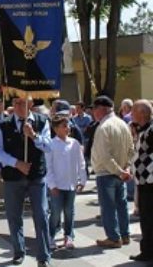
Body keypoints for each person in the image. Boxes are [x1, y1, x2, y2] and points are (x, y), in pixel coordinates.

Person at [0, 96, 52, 267]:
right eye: (16, 103)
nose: (18, 106)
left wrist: (33, 136)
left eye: (22, 102)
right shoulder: (4, 125)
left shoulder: (41, 121)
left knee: (41, 215)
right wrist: (16, 163)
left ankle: (44, 256)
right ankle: (19, 251)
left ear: (31, 104)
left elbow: (49, 147)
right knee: (14, 216)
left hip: (36, 177)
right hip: (13, 177)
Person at [91, 95, 134, 248]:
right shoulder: (123, 124)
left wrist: (120, 170)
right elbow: (131, 149)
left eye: (94, 109)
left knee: (108, 207)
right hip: (120, 172)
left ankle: (114, 238)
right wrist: (126, 168)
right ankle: (125, 234)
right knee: (121, 205)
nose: (93, 112)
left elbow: (104, 156)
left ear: (102, 109)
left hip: (107, 173)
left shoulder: (104, 127)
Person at [45, 116, 86, 250]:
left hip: (71, 184)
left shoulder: (74, 143)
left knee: (69, 211)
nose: (67, 128)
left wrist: (82, 179)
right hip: (57, 185)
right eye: (64, 126)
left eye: (68, 125)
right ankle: (50, 236)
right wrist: (52, 185)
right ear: (56, 129)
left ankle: (68, 235)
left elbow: (81, 163)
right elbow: (48, 167)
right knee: (55, 212)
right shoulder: (51, 144)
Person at [129, 100, 153, 262]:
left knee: (149, 219)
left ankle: (148, 252)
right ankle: (147, 251)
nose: (131, 114)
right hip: (143, 181)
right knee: (146, 219)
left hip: (150, 181)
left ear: (142, 113)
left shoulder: (151, 131)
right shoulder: (143, 129)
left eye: (133, 111)